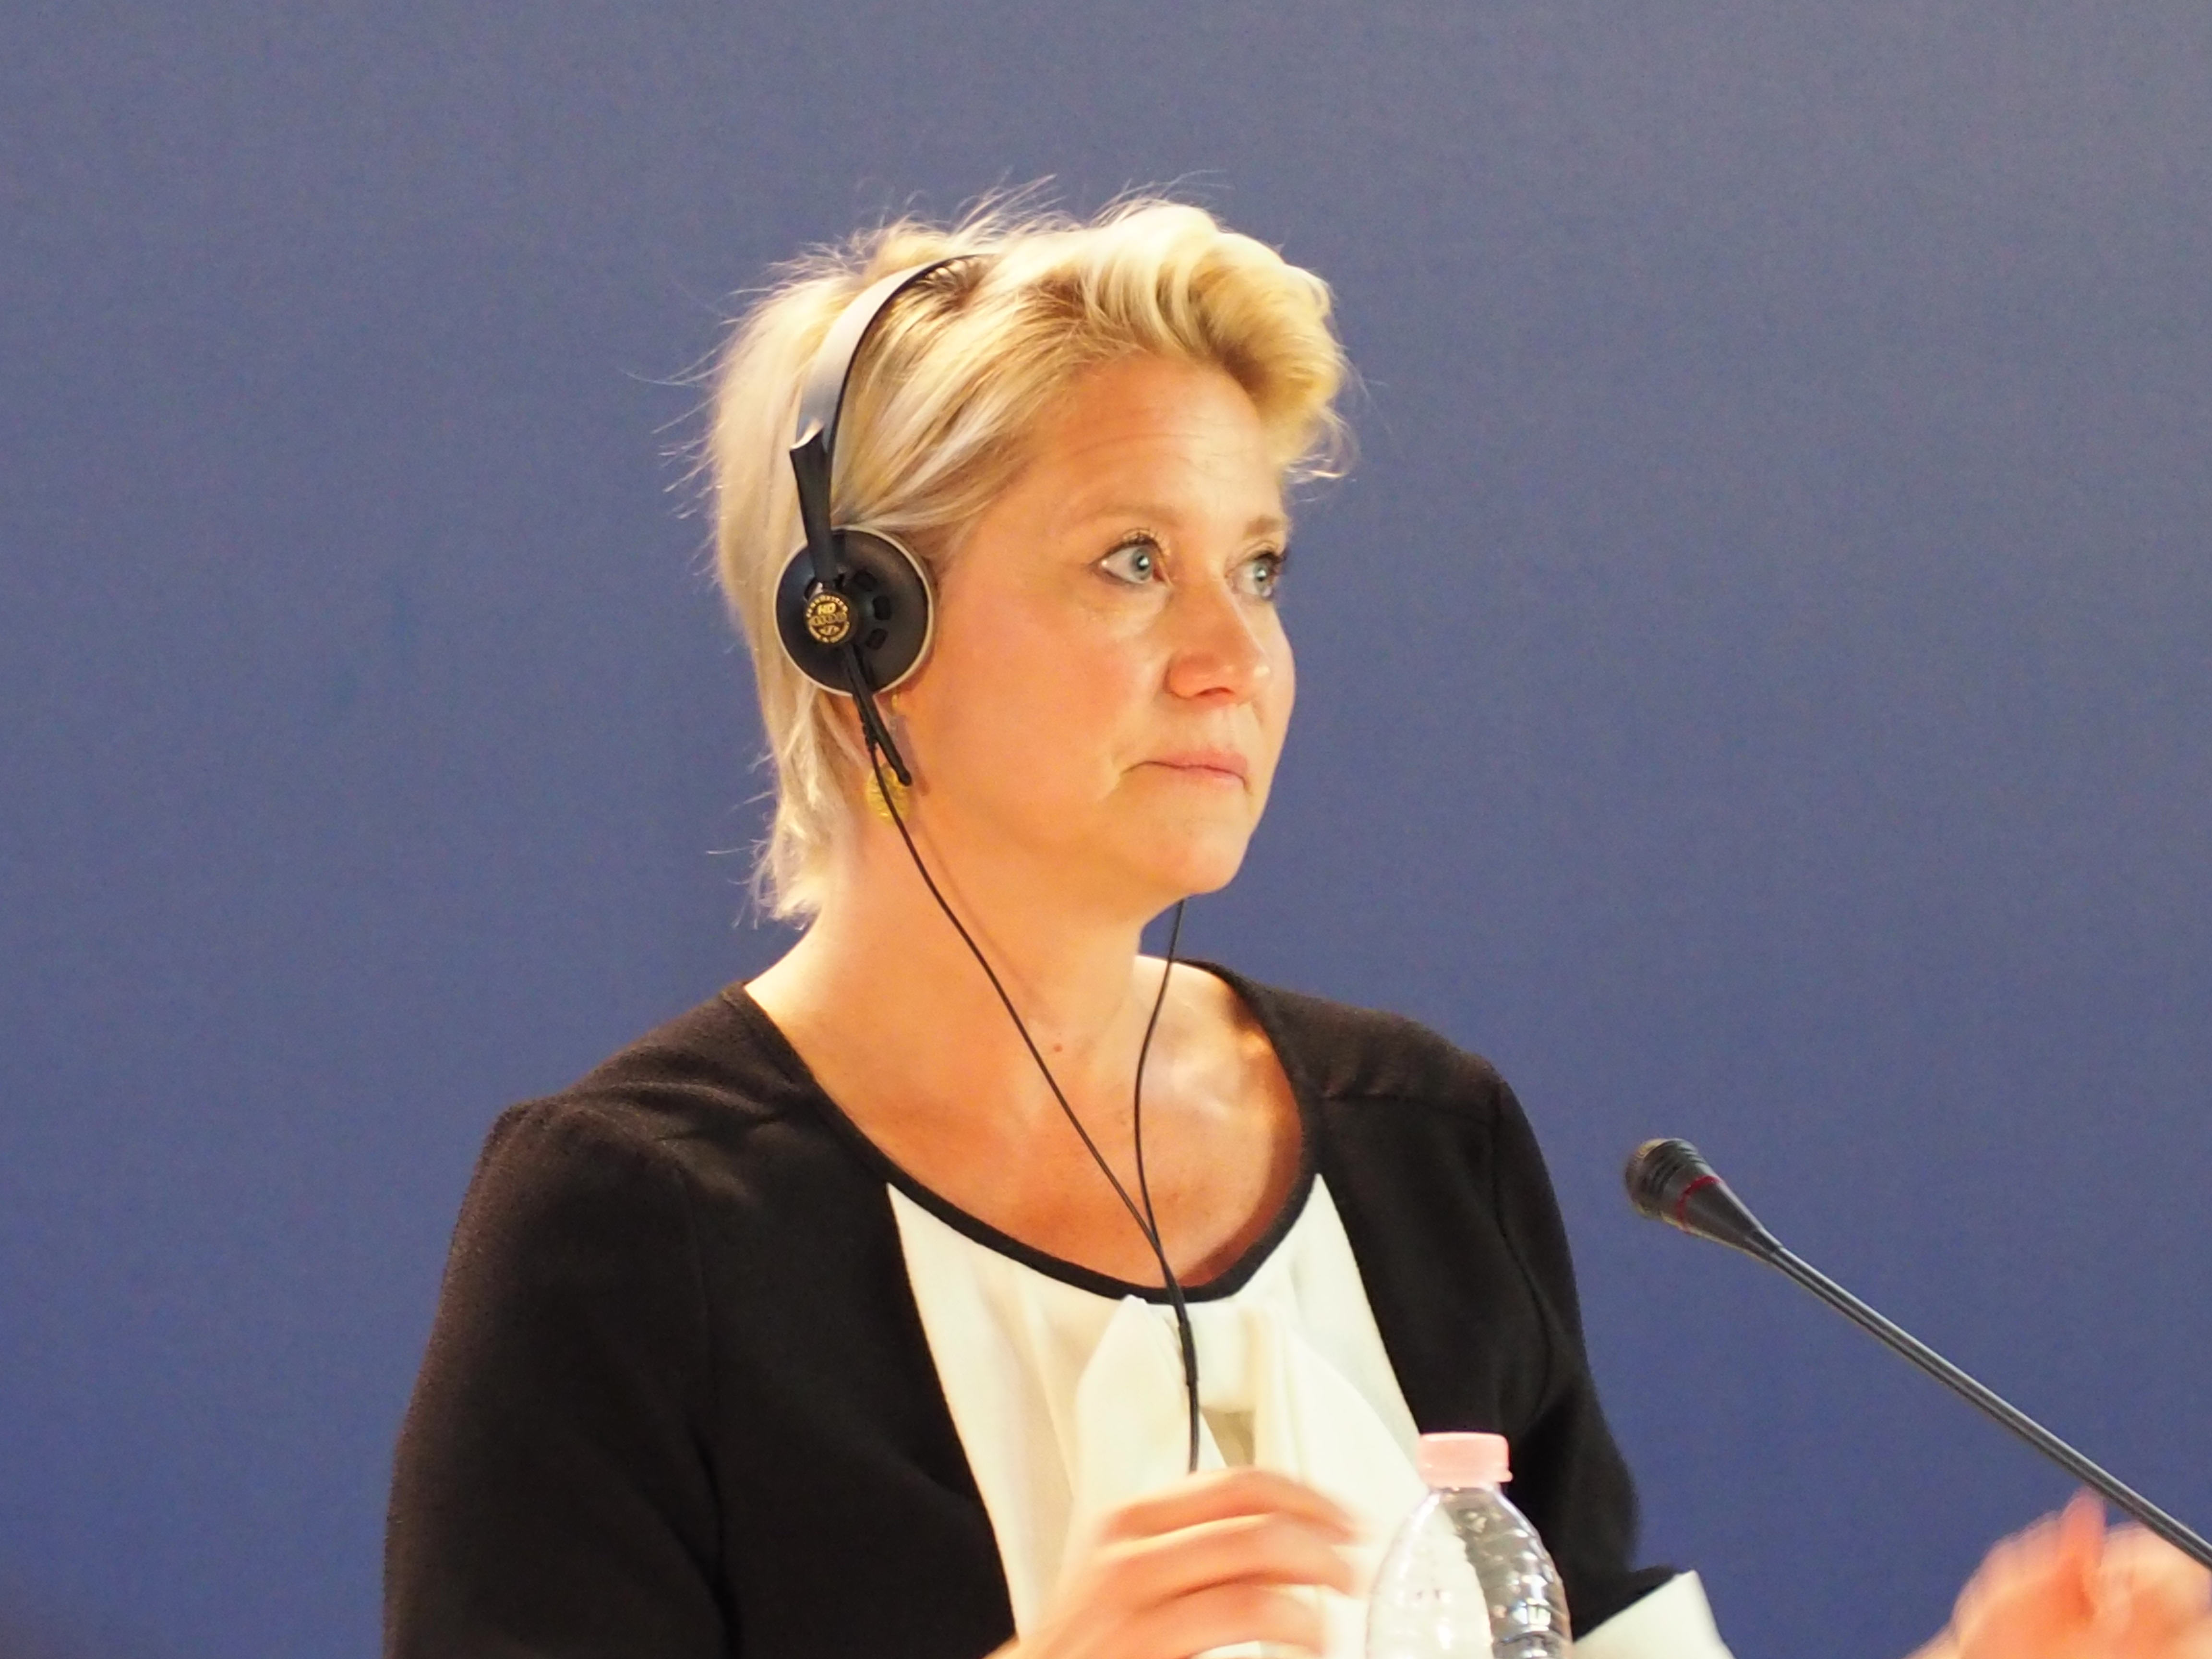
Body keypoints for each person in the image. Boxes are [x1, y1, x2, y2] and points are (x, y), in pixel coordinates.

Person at [383, 200, 2212, 1659]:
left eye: (1258, 567)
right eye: (1132, 562)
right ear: (864, 631)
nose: (1232, 656)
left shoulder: (1421, 1143)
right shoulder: (629, 1228)